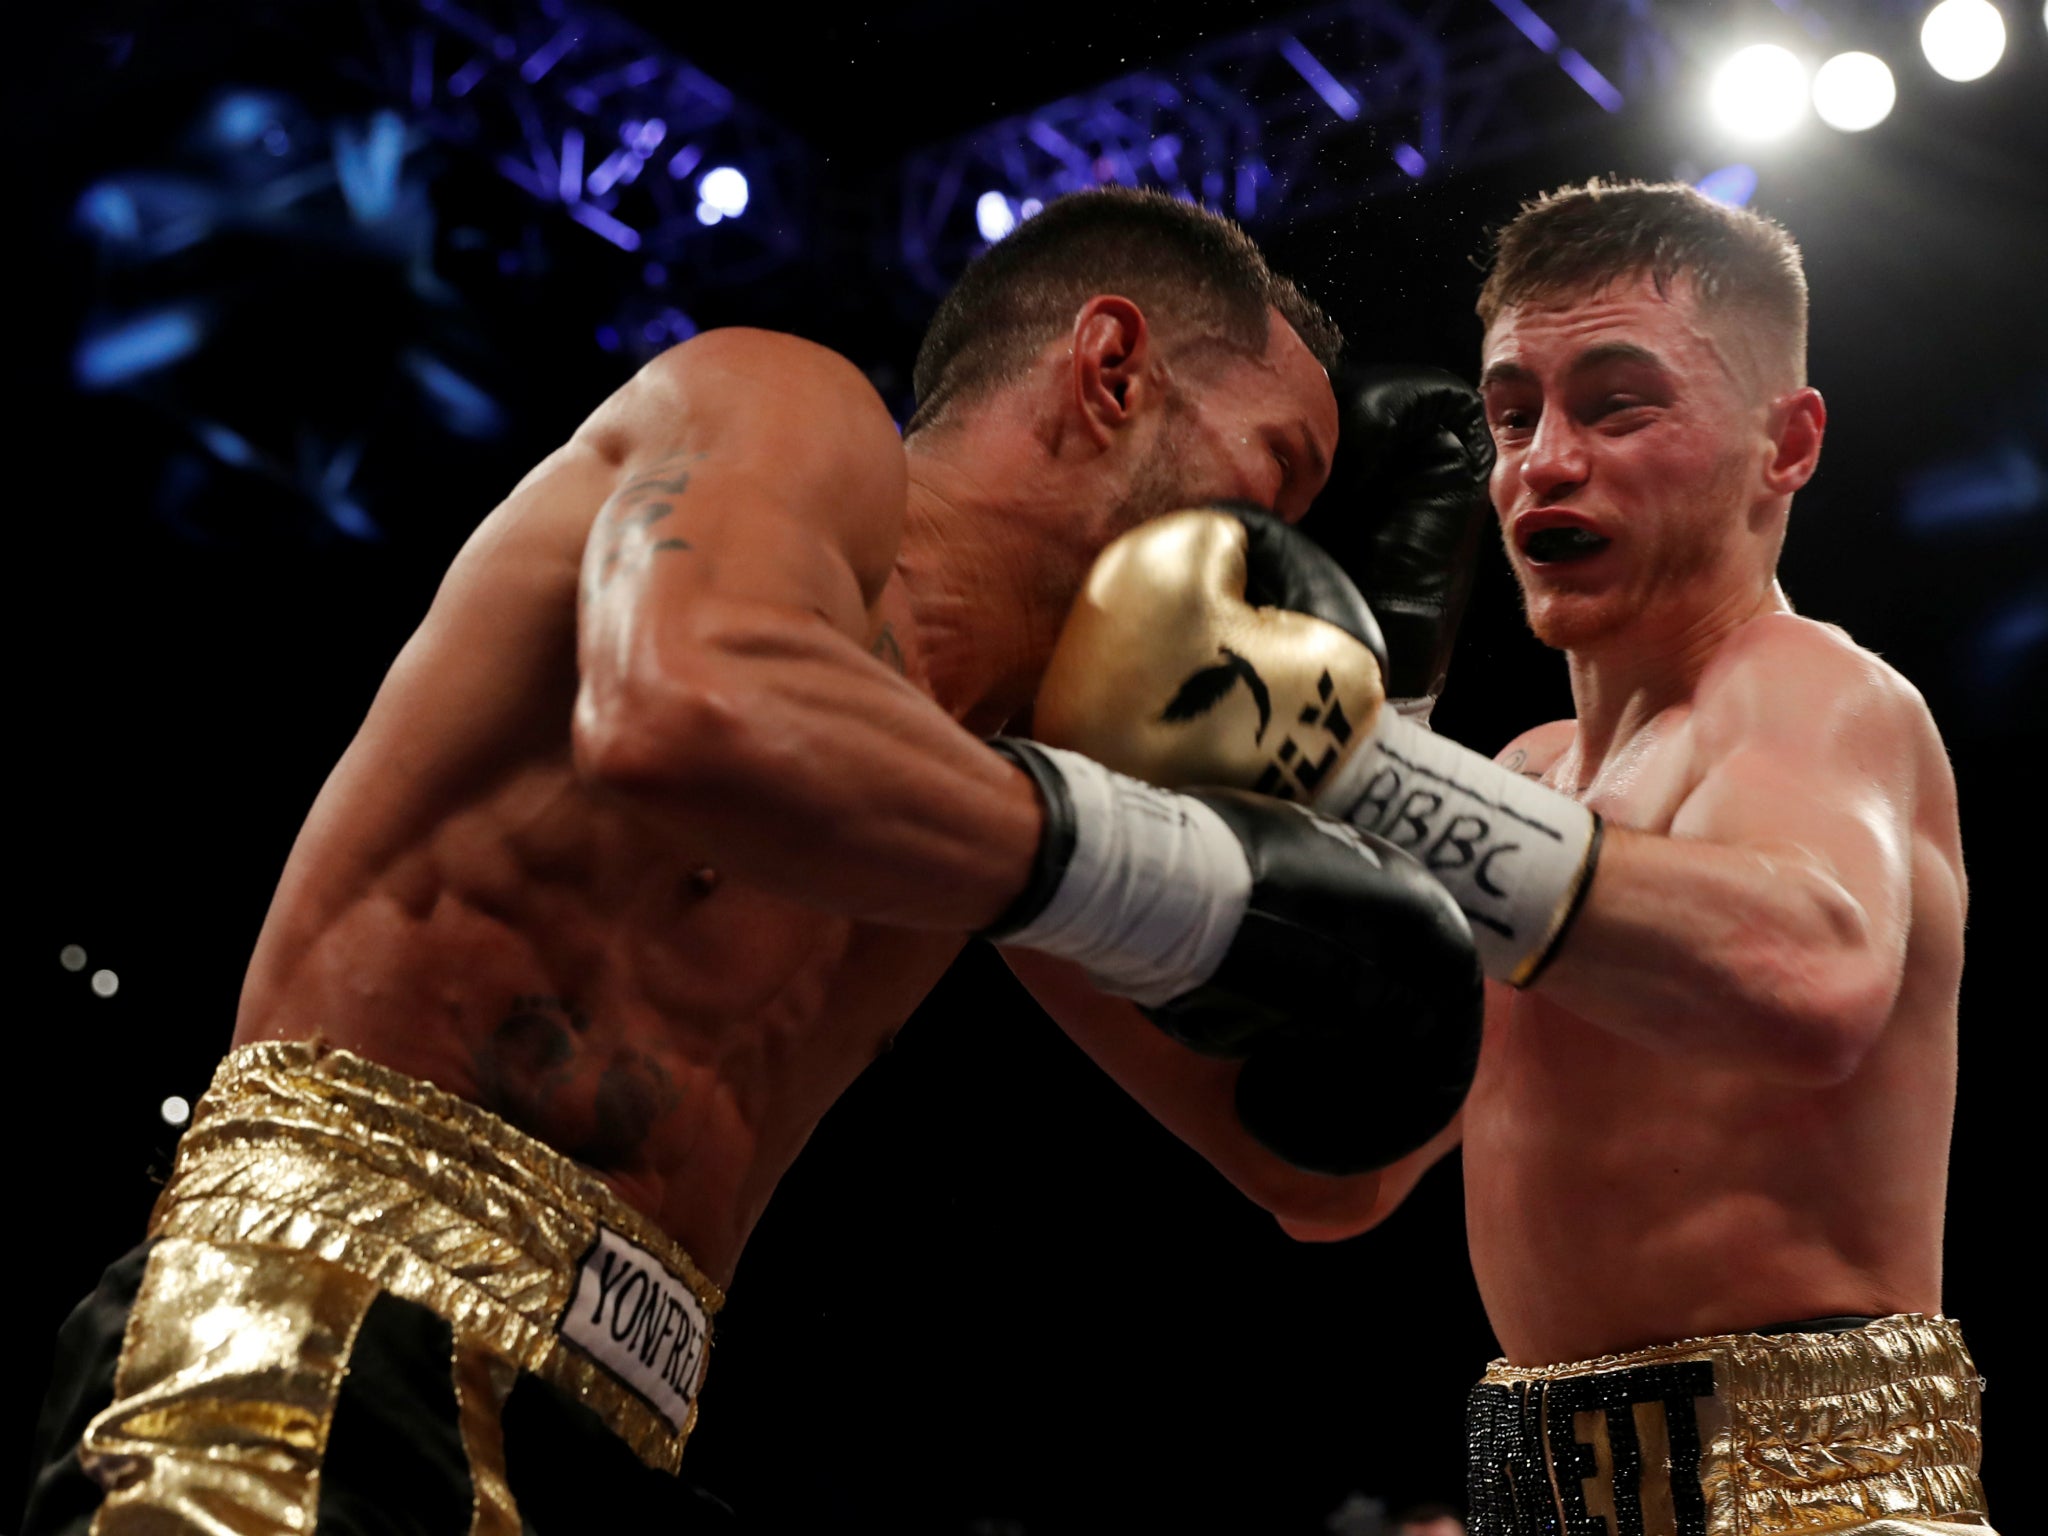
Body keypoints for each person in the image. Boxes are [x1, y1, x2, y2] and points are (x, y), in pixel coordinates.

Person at [23, 188, 1489, 1534]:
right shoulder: (788, 410)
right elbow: (683, 708)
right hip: (332, 1305)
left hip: (626, 1431)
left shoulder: (1011, 785)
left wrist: (1390, 753)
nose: (1269, 566)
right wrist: (1170, 868)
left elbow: (1328, 1171)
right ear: (1110, 370)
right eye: (1278, 480)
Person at [1021, 181, 1989, 1534]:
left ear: (1787, 444)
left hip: (1813, 1499)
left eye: (1616, 403)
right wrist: (1036, 854)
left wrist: (1357, 764)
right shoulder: (1527, 785)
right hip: (1538, 1492)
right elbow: (1335, 1179)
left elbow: (1803, 974)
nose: (1544, 459)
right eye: (1514, 411)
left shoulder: (1814, 693)